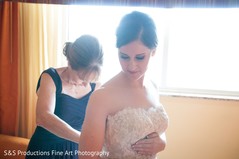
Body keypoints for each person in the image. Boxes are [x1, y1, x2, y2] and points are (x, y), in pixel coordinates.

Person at [79, 11, 169, 159]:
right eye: (124, 56)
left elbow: (155, 128)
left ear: (153, 52)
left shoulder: (153, 86)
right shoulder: (102, 96)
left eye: (140, 57)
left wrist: (162, 142)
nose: (131, 66)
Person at [26, 35, 103, 159]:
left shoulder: (96, 86)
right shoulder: (50, 77)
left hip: (75, 152)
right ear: (70, 63)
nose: (85, 84)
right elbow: (43, 117)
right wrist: (83, 139)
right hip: (45, 151)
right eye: (82, 78)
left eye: (89, 80)